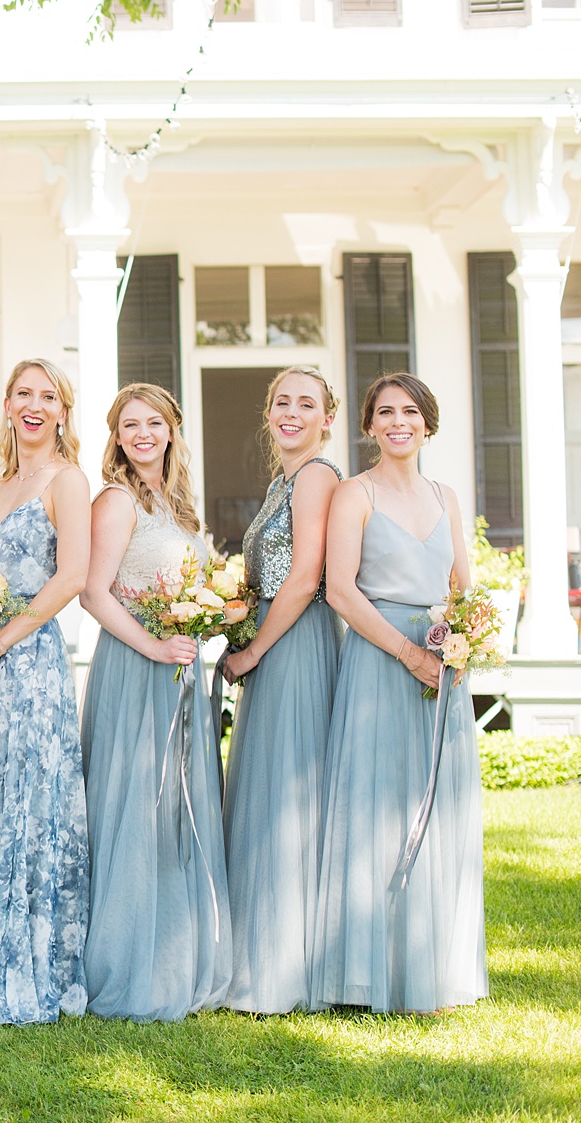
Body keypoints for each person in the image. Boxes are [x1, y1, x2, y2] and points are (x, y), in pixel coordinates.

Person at [311, 373, 487, 1014]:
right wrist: (408, 652)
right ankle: (371, 973)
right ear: (368, 425)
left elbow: (461, 583)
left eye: (410, 412)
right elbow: (341, 591)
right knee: (376, 806)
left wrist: (464, 644)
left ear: (428, 424)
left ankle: (433, 968)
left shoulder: (447, 495)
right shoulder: (355, 494)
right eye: (385, 412)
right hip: (381, 659)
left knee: (437, 806)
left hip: (443, 666)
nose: (398, 422)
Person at [78, 382, 231, 1022]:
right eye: (129, 425)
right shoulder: (115, 501)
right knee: (138, 808)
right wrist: (153, 645)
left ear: (172, 430)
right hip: (137, 668)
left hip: (180, 670)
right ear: (117, 438)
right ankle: (127, 964)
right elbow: (93, 592)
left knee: (178, 810)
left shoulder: (181, 507)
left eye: (154, 422)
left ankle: (177, 954)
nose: (143, 433)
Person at [0, 358, 92, 1025]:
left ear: (63, 410)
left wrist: (1, 641)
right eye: (23, 394)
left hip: (30, 664)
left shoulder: (67, 480)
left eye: (48, 396)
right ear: (5, 405)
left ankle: (35, 964)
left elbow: (71, 579)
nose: (34, 406)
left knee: (31, 807)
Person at [218, 367, 344, 1014]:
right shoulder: (281, 481)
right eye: (282, 402)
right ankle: (262, 951)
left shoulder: (319, 475)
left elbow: (305, 575)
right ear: (268, 412)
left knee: (288, 796)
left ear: (328, 416)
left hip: (294, 639)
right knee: (268, 792)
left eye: (307, 403)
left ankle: (285, 967)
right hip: (269, 632)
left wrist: (257, 648)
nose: (292, 412)